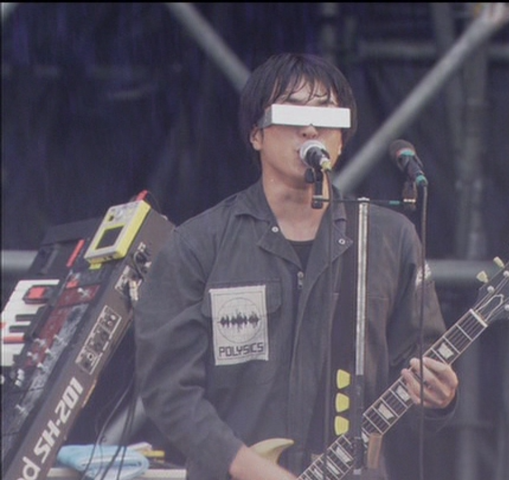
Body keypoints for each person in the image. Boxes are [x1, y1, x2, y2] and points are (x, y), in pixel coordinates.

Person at [134, 52, 458, 480]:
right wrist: (249, 466)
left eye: (325, 114)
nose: (309, 128)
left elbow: (417, 376)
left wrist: (440, 398)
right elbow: (169, 390)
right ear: (256, 134)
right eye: (290, 111)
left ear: (341, 140)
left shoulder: (388, 238)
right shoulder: (198, 244)